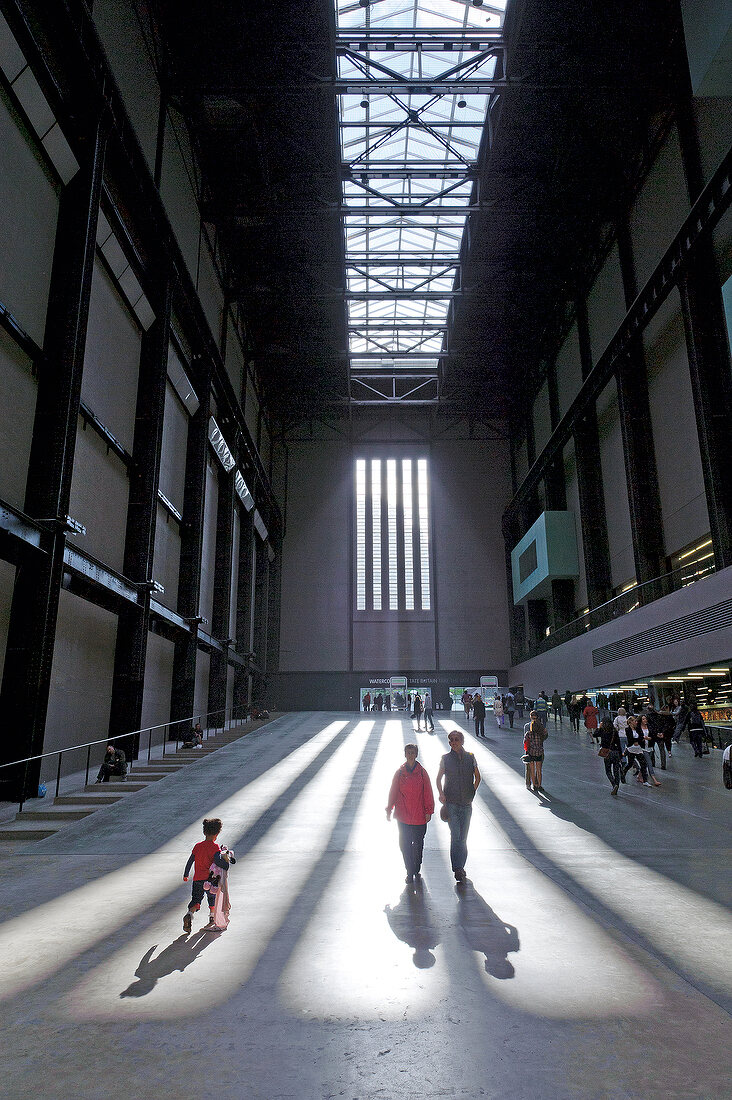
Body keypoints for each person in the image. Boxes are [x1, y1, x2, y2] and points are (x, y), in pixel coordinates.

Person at [386, 743, 435, 885]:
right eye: (408, 752)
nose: (410, 755)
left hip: (419, 815)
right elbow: (393, 791)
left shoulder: (422, 772)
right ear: (405, 754)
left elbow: (428, 792)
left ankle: (416, 866)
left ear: (416, 754)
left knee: (418, 843)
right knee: (405, 844)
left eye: (413, 752)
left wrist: (428, 810)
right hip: (403, 815)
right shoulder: (400, 773)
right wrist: (389, 808)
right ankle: (409, 871)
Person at [436, 730, 481, 883]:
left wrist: (472, 791)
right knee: (456, 836)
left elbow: (478, 776)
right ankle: (457, 868)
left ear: (462, 741)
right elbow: (438, 778)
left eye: (456, 739)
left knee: (463, 838)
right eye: (451, 740)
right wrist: (441, 794)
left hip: (466, 803)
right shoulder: (445, 759)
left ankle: (461, 866)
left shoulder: (470, 757)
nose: (453, 742)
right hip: (452, 803)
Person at [183, 817, 236, 933]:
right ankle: (212, 917)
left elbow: (190, 861)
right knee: (212, 898)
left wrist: (186, 874)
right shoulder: (215, 847)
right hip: (209, 880)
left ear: (204, 832)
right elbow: (217, 861)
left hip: (197, 879)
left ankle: (189, 914)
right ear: (217, 834)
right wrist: (226, 865)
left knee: (196, 899)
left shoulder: (197, 846)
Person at [623, 715, 650, 784]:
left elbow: (641, 736)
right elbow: (630, 739)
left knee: (643, 764)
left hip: (639, 749)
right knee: (630, 763)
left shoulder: (638, 729)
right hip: (631, 749)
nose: (636, 722)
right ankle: (623, 774)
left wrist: (638, 741)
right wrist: (636, 740)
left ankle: (645, 780)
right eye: (635, 721)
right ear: (631, 722)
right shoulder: (627, 729)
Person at [598, 717, 622, 795]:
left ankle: (613, 784)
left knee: (608, 770)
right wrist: (621, 755)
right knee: (616, 770)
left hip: (607, 752)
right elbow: (618, 743)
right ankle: (617, 785)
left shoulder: (602, 730)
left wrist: (599, 727)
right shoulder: (614, 731)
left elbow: (595, 734)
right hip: (615, 752)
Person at [524, 717, 548, 792]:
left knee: (532, 769)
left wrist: (527, 750)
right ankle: (539, 785)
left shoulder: (528, 734)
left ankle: (534, 785)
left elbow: (525, 742)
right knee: (539, 770)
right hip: (539, 753)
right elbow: (545, 736)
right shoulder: (540, 734)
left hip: (531, 753)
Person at [639, 714, 662, 787]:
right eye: (643, 719)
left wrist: (650, 738)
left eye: (645, 719)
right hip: (643, 748)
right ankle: (654, 779)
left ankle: (639, 775)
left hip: (650, 747)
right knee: (649, 763)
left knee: (645, 763)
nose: (645, 720)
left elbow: (653, 735)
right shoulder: (639, 729)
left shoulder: (649, 727)